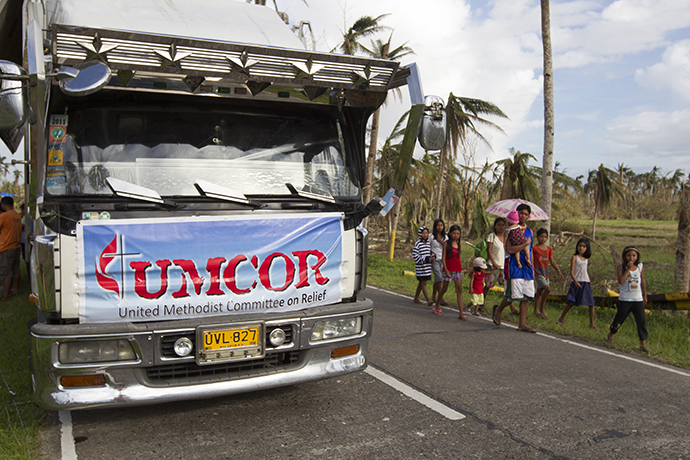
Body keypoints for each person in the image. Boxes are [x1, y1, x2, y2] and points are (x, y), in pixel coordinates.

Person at [491, 203, 537, 332]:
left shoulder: (530, 231)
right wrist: (525, 244)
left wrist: (532, 264)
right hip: (514, 265)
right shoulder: (509, 230)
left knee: (527, 295)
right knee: (513, 294)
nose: (523, 216)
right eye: (521, 213)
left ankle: (522, 324)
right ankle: (499, 310)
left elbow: (531, 249)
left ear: (529, 216)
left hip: (527, 266)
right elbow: (510, 249)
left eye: (526, 214)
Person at [606, 246, 649, 353]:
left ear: (637, 256)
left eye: (634, 255)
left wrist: (645, 295)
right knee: (619, 320)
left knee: (641, 321)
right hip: (625, 299)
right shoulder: (620, 267)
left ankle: (642, 344)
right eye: (629, 255)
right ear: (625, 256)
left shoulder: (640, 266)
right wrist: (628, 269)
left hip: (637, 299)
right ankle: (611, 334)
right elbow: (621, 281)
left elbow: (642, 281)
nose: (631, 258)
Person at [556, 238, 597, 329]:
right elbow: (571, 271)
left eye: (583, 246)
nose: (581, 248)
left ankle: (592, 324)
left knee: (591, 304)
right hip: (576, 282)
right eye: (580, 246)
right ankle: (561, 319)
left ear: (587, 248)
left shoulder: (586, 259)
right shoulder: (575, 258)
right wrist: (575, 281)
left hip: (586, 282)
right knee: (571, 302)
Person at [436, 224, 468, 320]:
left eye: (458, 233)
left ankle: (461, 313)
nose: (456, 235)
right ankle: (437, 304)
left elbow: (458, 257)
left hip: (457, 270)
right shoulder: (446, 243)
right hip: (448, 270)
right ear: (450, 233)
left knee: (459, 290)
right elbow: (443, 258)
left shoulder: (459, 244)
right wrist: (446, 270)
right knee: (444, 288)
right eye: (454, 233)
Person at [486, 217, 518, 315]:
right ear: (495, 226)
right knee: (488, 285)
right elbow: (489, 250)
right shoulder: (492, 236)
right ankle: (480, 304)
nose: (501, 227)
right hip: (493, 266)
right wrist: (494, 263)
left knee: (507, 287)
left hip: (505, 266)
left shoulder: (507, 236)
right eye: (498, 225)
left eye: (503, 225)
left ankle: (512, 308)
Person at [532, 228, 563, 318]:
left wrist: (558, 271)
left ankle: (535, 311)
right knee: (547, 289)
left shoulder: (548, 249)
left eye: (545, 237)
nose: (543, 239)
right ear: (537, 237)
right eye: (541, 236)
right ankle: (542, 309)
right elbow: (532, 260)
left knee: (540, 291)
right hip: (538, 273)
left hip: (545, 273)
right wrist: (533, 271)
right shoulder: (535, 248)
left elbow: (552, 261)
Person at [0, 196, 23, 300]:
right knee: (16, 270)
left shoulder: (4, 216)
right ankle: (16, 290)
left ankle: (6, 294)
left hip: (6, 247)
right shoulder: (17, 215)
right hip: (16, 246)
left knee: (7, 271)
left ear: (3, 205)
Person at [412, 226, 434, 305]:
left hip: (427, 268)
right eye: (423, 233)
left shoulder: (428, 243)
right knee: (423, 283)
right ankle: (428, 299)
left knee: (421, 283)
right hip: (421, 268)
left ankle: (416, 298)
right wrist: (424, 259)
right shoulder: (418, 244)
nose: (425, 235)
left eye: (426, 233)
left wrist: (432, 258)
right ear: (420, 234)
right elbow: (415, 255)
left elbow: (429, 253)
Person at [430, 218, 448, 307]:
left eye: (441, 225)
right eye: (438, 225)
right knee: (439, 278)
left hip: (443, 260)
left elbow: (447, 248)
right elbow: (428, 247)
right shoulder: (431, 236)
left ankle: (434, 296)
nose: (440, 227)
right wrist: (432, 254)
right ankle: (441, 298)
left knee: (437, 279)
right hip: (435, 259)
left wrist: (442, 242)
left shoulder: (446, 237)